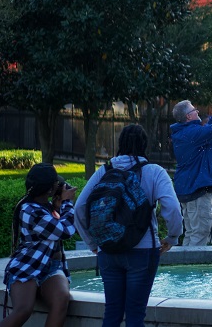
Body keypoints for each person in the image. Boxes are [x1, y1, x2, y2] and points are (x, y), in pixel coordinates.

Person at [74, 124, 183, 327]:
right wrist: (172, 237)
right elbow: (173, 209)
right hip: (143, 252)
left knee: (112, 313)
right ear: (144, 145)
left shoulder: (104, 171)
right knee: (135, 315)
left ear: (120, 143)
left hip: (108, 250)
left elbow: (79, 207)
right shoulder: (155, 172)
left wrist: (92, 243)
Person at [0, 163, 76, 327]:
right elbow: (65, 231)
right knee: (23, 310)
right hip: (28, 266)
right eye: (56, 183)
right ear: (49, 189)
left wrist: (57, 207)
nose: (59, 186)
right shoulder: (31, 210)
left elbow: (54, 227)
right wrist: (68, 202)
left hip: (51, 267)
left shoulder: (44, 207)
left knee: (61, 299)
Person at [170, 93, 212, 246]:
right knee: (200, 232)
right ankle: (194, 262)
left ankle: (186, 260)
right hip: (197, 190)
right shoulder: (192, 133)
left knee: (192, 232)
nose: (197, 111)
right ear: (188, 116)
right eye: (194, 110)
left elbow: (208, 130)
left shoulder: (186, 132)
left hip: (189, 188)